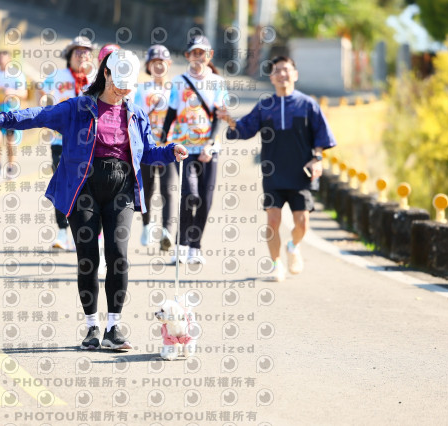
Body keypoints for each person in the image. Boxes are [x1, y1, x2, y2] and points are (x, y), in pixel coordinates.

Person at [0, 49, 188, 350]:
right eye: (118, 84)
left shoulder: (135, 113)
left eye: (128, 86)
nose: (123, 91)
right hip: (83, 189)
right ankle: (91, 327)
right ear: (106, 74)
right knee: (88, 259)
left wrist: (170, 151)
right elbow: (39, 116)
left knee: (119, 256)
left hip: (121, 189)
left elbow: (148, 151)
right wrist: (0, 119)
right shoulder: (79, 107)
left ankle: (113, 327)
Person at [217, 56, 336, 281]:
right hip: (273, 173)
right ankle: (276, 264)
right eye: (277, 71)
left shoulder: (307, 105)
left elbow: (321, 134)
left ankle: (293, 246)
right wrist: (229, 120)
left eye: (286, 69)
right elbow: (245, 129)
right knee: (272, 221)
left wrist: (317, 158)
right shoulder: (265, 106)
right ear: (271, 78)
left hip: (301, 173)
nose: (282, 74)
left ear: (295, 74)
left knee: (302, 222)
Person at [160, 35, 227, 264]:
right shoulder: (179, 81)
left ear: (210, 55)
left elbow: (218, 116)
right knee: (190, 195)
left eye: (202, 53)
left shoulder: (217, 82)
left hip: (209, 149)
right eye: (194, 53)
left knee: (205, 200)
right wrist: (162, 139)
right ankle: (180, 245)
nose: (198, 57)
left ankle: (195, 248)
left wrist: (209, 144)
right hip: (184, 147)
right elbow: (171, 112)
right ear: (188, 55)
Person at [42, 36, 96, 250]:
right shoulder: (57, 76)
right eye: (77, 51)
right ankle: (62, 231)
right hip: (60, 140)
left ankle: (82, 232)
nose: (82, 55)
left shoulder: (97, 78)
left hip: (89, 143)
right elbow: (43, 97)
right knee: (63, 183)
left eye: (86, 51)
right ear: (69, 55)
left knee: (88, 187)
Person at [134, 44, 176, 250]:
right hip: (148, 148)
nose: (158, 66)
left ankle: (167, 232)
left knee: (168, 189)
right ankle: (146, 225)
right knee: (147, 189)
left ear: (169, 64)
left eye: (162, 62)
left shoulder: (176, 89)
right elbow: (136, 116)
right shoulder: (142, 89)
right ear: (148, 66)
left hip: (169, 147)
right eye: (154, 62)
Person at [0, 50, 28, 181]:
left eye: (4, 59)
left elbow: (24, 94)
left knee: (10, 141)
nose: (1, 62)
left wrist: (11, 92)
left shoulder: (17, 74)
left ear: (9, 60)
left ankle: (11, 168)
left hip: (11, 112)